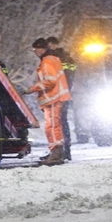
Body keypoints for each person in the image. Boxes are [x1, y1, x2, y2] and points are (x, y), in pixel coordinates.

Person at [24, 37, 71, 166]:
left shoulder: (47, 61)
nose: (36, 52)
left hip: (53, 98)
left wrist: (33, 88)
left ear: (42, 49)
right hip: (57, 97)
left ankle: (56, 154)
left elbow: (50, 81)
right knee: (56, 126)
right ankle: (58, 153)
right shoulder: (54, 59)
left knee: (51, 127)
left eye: (37, 49)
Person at [47, 36, 76, 160]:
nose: (49, 48)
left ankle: (61, 151)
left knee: (59, 123)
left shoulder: (56, 58)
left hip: (58, 95)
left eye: (50, 46)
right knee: (62, 122)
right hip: (64, 94)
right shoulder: (68, 58)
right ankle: (64, 150)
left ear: (55, 45)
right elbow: (69, 77)